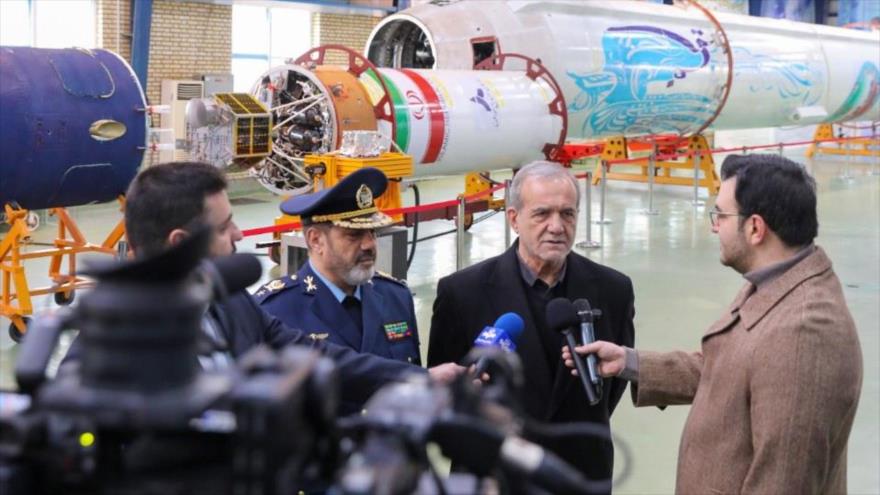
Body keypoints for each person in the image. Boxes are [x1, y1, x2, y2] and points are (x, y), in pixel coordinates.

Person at [564, 154, 863, 494]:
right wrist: (629, 362)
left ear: (755, 228)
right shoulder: (775, 282)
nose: (713, 225)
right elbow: (732, 368)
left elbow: (782, 482)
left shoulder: (804, 333)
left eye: (720, 214)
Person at [66, 161, 463, 415]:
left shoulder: (232, 303)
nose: (239, 234)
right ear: (179, 243)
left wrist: (421, 378)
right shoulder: (100, 359)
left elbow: (316, 355)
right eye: (224, 228)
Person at [427, 160, 635, 486]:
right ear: (514, 219)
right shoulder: (462, 293)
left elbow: (610, 389)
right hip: (494, 475)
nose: (557, 226)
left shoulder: (613, 290)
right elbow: (447, 385)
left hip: (580, 473)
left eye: (567, 214)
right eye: (542, 213)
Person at [257, 168, 420, 365]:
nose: (369, 244)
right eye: (353, 235)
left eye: (372, 231)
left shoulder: (396, 297)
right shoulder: (276, 310)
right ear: (316, 240)